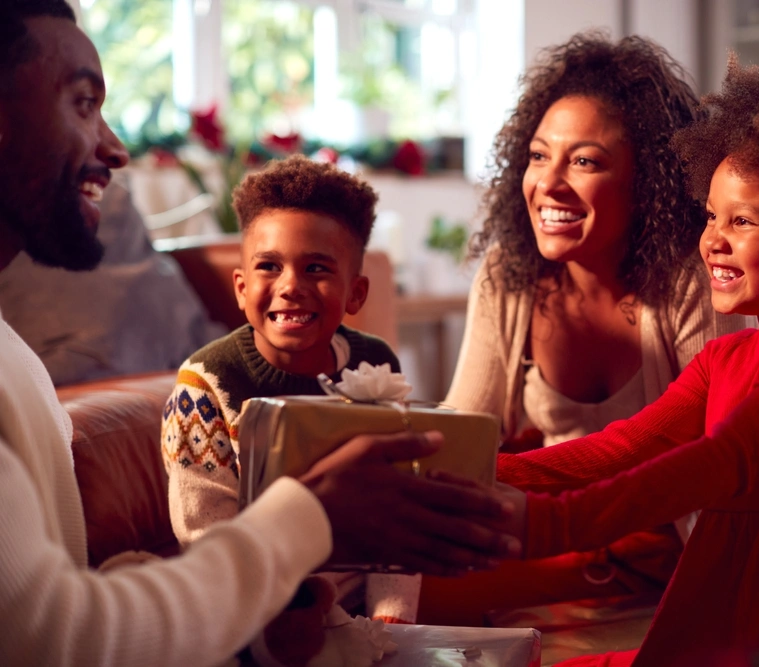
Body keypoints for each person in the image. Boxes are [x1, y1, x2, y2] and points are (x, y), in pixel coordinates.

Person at [0, 3, 519, 665]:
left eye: (319, 269)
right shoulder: (204, 384)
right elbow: (56, 640)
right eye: (81, 103)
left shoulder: (15, 359)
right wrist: (312, 518)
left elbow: (47, 614)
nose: (115, 147)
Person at [491, 59, 759, 666]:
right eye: (711, 216)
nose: (713, 240)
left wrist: (555, 525)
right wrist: (467, 470)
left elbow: (733, 454)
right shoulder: (726, 354)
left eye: (744, 220)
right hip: (724, 612)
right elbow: (619, 447)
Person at [419, 32, 751, 625]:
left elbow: (719, 466)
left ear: (647, 180)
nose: (548, 183)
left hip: (670, 584)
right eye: (540, 155)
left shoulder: (691, 281)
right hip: (550, 556)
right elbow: (465, 434)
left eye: (584, 160)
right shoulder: (509, 275)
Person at [162, 154, 418, 623]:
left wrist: (392, 623)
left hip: (368, 617)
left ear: (356, 293)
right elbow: (205, 538)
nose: (291, 287)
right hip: (258, 612)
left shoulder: (376, 363)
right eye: (269, 267)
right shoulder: (203, 384)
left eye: (317, 269)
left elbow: (399, 522)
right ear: (241, 288)